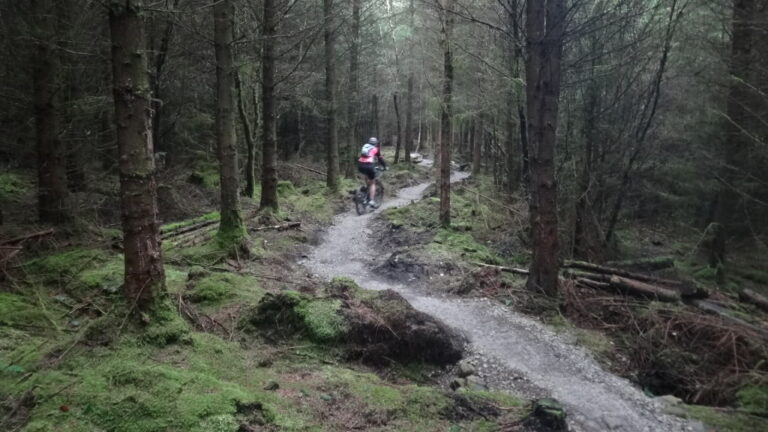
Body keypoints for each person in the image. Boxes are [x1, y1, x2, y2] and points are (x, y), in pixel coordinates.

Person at [357, 137, 387, 208]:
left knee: (367, 176)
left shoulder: (365, 146)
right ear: (376, 143)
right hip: (369, 166)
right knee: (373, 183)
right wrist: (385, 166)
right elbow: (380, 159)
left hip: (360, 165)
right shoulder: (376, 149)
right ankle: (371, 200)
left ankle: (364, 192)